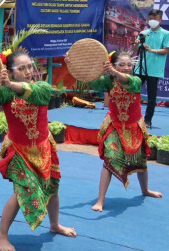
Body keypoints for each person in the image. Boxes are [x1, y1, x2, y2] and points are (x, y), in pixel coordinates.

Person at [0, 50, 76, 251]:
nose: (27, 71)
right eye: (21, 68)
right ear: (10, 71)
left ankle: (54, 224)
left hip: (43, 147)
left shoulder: (41, 87)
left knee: (53, 187)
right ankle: (1, 236)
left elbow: (33, 94)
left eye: (29, 66)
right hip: (19, 151)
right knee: (21, 191)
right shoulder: (5, 92)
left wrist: (9, 84)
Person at [66, 51, 162, 211]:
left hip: (134, 127)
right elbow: (89, 79)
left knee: (141, 161)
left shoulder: (136, 80)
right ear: (113, 64)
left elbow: (127, 80)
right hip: (115, 127)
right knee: (109, 160)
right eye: (122, 64)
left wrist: (114, 71)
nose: (126, 68)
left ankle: (145, 190)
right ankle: (100, 200)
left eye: (129, 64)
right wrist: (72, 64)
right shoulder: (108, 81)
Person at [133, 9, 169, 128]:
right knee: (134, 93)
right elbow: (135, 49)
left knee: (151, 97)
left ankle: (147, 121)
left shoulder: (165, 34)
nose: (152, 21)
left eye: (155, 18)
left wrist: (152, 50)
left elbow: (166, 50)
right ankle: (132, 118)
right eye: (150, 18)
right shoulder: (143, 32)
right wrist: (136, 43)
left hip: (154, 69)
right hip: (140, 68)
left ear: (160, 20)